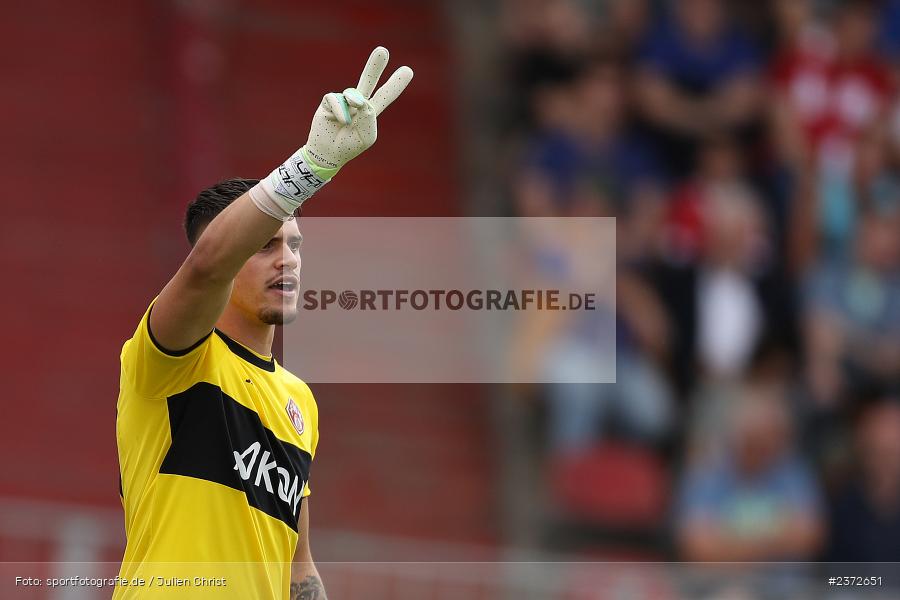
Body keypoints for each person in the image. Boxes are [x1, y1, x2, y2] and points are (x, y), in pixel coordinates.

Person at [113, 47, 413, 599]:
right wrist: (311, 167)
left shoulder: (299, 403)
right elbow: (205, 268)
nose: (289, 260)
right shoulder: (172, 357)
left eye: (295, 246)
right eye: (266, 246)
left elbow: (299, 568)